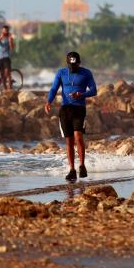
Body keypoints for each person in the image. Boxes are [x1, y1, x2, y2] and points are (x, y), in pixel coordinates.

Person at [45, 51, 97, 181]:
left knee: (78, 137)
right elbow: (53, 89)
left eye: (75, 66)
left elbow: (94, 90)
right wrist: (48, 101)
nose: (73, 68)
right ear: (67, 63)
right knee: (68, 141)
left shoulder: (86, 73)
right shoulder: (61, 73)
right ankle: (72, 169)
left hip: (79, 109)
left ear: (79, 63)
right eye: (70, 66)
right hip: (65, 109)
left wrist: (81, 94)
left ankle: (82, 166)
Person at [0, 25, 15, 90]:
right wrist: (1, 37)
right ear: (2, 30)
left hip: (6, 57)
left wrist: (10, 41)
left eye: (6, 30)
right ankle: (5, 89)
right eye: (4, 30)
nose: (5, 31)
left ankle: (10, 88)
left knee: (7, 73)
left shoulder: (9, 37)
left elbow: (11, 48)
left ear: (8, 31)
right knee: (2, 74)